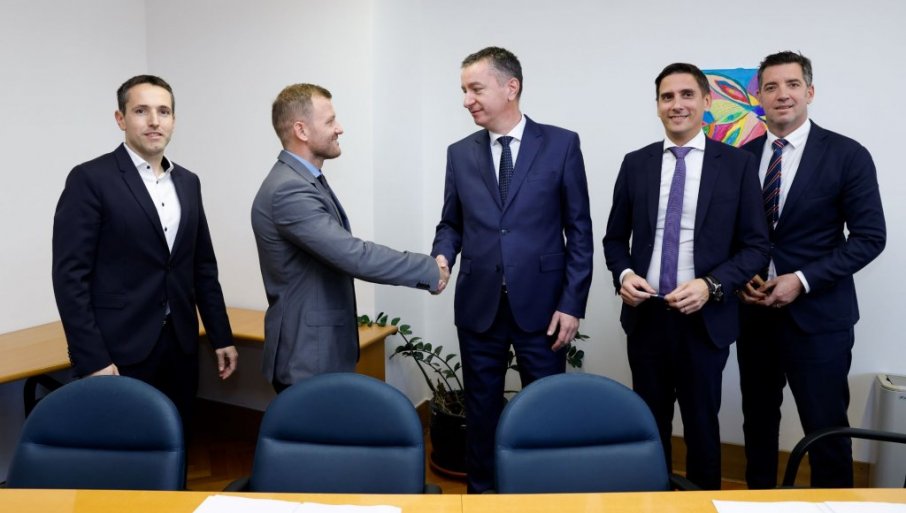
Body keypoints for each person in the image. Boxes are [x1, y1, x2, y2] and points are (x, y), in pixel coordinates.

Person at [432, 47, 594, 493]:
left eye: (475, 89)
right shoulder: (459, 153)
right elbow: (451, 223)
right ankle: (482, 496)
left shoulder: (561, 144)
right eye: (463, 90)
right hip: (478, 305)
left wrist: (572, 304)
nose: (466, 100)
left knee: (545, 410)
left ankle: (544, 495)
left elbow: (579, 231)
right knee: (481, 410)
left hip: (544, 309)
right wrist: (442, 255)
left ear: (511, 87)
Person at [602, 63, 769, 489]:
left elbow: (756, 247)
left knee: (701, 427)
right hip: (647, 317)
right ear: (658, 105)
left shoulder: (737, 165)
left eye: (687, 94)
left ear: (707, 101)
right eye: (667, 96)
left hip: (705, 320)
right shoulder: (636, 164)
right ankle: (652, 500)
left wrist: (711, 286)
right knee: (648, 425)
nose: (676, 104)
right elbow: (615, 239)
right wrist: (624, 274)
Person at [52, 75, 239, 427]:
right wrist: (92, 359)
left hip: (181, 345)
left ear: (173, 120)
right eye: (141, 111)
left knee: (178, 438)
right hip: (118, 349)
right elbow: (69, 278)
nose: (154, 121)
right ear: (120, 119)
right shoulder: (90, 179)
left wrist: (221, 336)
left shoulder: (188, 182)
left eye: (163, 112)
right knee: (123, 447)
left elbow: (202, 267)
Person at [736, 51, 886, 488]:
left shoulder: (846, 154)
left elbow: (869, 237)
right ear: (759, 97)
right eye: (771, 87)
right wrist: (739, 278)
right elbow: (731, 235)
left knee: (826, 432)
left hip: (819, 319)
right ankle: (759, 503)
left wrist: (802, 281)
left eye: (792, 84)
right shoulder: (741, 158)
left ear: (810, 91)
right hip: (754, 317)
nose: (782, 94)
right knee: (757, 426)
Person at [251, 83, 448, 392]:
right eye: (330, 121)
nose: (339, 128)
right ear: (301, 130)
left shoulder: (303, 180)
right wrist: (428, 270)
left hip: (318, 350)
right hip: (308, 355)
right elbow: (353, 255)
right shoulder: (289, 189)